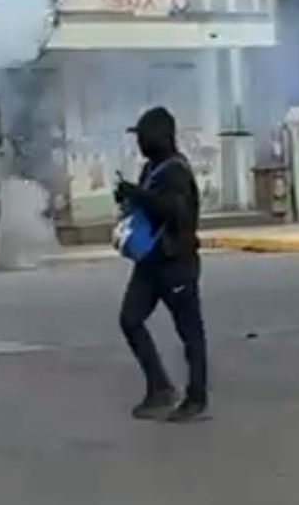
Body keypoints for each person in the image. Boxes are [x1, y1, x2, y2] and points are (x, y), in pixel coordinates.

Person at [114, 106, 209, 423]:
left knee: (190, 333)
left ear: (160, 137)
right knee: (130, 319)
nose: (139, 142)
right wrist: (128, 198)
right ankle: (159, 387)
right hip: (150, 263)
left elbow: (175, 212)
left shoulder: (176, 171)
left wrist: (139, 196)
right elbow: (147, 209)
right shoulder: (151, 169)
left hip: (176, 263)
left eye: (142, 136)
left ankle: (196, 397)